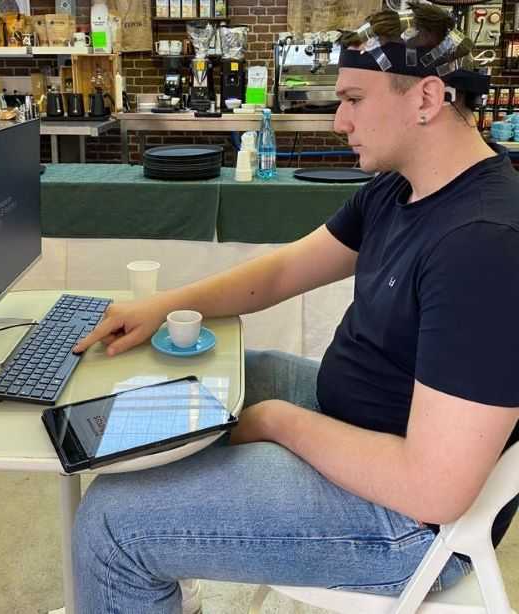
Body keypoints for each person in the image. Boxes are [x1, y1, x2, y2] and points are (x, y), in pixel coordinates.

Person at [71, 3, 519, 613]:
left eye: (354, 99)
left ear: (427, 99)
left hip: (406, 524)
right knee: (195, 383)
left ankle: (135, 568)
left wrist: (281, 423)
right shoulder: (402, 185)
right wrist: (162, 306)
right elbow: (285, 270)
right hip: (365, 424)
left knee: (109, 527)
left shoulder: (483, 247)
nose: (338, 121)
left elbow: (434, 489)